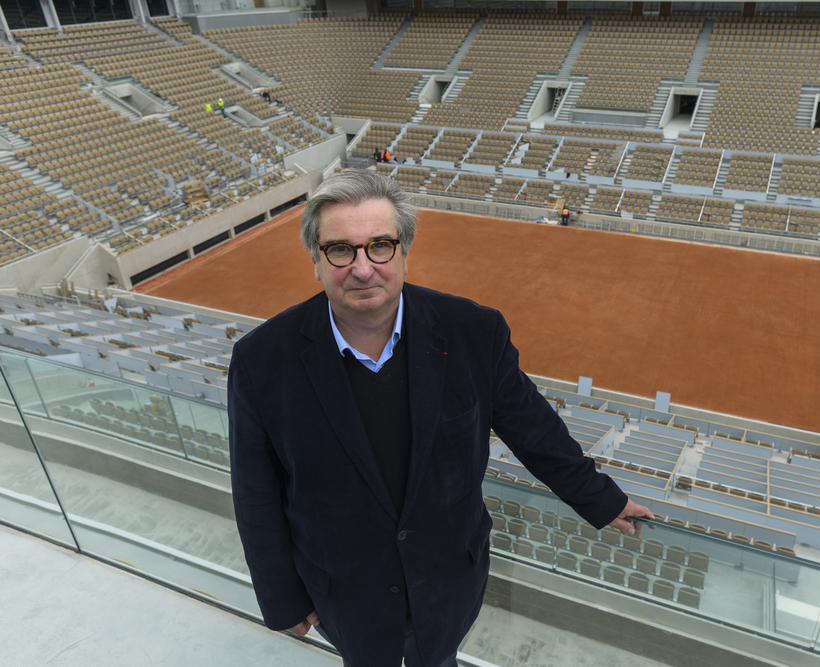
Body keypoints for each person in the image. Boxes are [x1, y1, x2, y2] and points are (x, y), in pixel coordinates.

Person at [228, 169, 653, 667]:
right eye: (340, 250)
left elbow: (533, 428)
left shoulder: (474, 331)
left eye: (380, 246)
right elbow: (256, 490)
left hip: (450, 581)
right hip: (343, 595)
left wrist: (601, 499)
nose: (362, 269)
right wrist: (282, 597)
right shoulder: (261, 361)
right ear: (316, 261)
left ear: (404, 251)